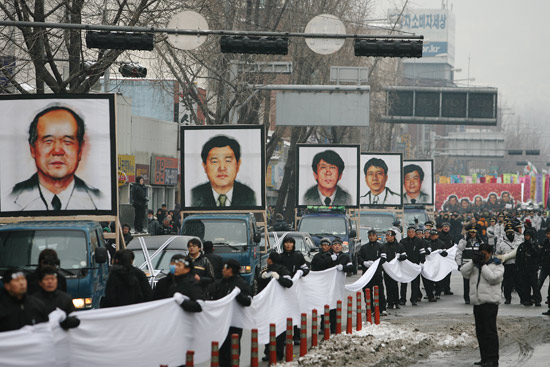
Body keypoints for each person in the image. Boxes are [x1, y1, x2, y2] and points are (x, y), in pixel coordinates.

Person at [5, 106, 103, 211]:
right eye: (48, 141)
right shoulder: (11, 199)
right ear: (32, 149)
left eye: (67, 142)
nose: (57, 151)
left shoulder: (98, 200)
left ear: (80, 150)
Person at [460, 242, 504, 367]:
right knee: (480, 332)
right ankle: (484, 358)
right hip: (477, 303)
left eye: (484, 254)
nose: (482, 256)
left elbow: (493, 278)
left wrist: (483, 265)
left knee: (490, 332)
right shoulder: (476, 265)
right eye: (481, 253)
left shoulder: (497, 265)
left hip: (490, 303)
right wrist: (473, 262)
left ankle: (493, 359)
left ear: (490, 253)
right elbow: (463, 272)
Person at [209, 259, 253, 367]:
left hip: (234, 324)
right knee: (221, 351)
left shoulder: (241, 284)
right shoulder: (220, 283)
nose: (222, 271)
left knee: (232, 350)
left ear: (230, 270)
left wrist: (238, 295)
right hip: (220, 323)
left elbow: (248, 302)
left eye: (224, 268)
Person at [191, 135, 256, 207]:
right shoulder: (193, 196)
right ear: (205, 166)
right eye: (214, 161)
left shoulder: (250, 196)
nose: (222, 168)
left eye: (228, 161)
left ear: (238, 165)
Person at [259, 252, 293, 361]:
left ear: (271, 260)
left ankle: (275, 353)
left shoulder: (282, 270)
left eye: (268, 258)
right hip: (269, 304)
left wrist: (278, 277)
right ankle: (270, 352)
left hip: (278, 304)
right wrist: (262, 277)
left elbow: (289, 283)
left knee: (277, 328)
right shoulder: (265, 270)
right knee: (270, 328)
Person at [0, 268, 49, 332]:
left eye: (23, 279)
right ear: (7, 286)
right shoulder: (2, 307)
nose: (21, 283)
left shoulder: (38, 305)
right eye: (17, 280)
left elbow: (45, 331)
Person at [495, 225, 522, 304]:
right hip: (507, 265)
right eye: (508, 233)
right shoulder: (502, 244)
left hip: (517, 265)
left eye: (512, 232)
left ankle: (523, 298)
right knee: (507, 283)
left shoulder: (519, 243)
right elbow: (497, 254)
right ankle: (508, 298)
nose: (510, 234)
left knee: (519, 283)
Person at [399, 226, 426, 306]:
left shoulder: (419, 241)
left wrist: (422, 262)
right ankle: (403, 299)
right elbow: (400, 251)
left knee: (415, 284)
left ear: (414, 233)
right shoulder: (403, 241)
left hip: (415, 264)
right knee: (404, 283)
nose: (410, 234)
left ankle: (414, 299)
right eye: (409, 232)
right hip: (405, 265)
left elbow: (422, 252)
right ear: (407, 233)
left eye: (412, 232)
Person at [515, 229, 542, 307]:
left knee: (535, 285)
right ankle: (527, 300)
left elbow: (538, 255)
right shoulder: (522, 245)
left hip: (532, 268)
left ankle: (537, 300)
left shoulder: (534, 245)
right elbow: (518, 257)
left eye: (528, 236)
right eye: (525, 236)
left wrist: (532, 247)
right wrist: (518, 267)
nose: (526, 237)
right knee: (526, 285)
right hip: (524, 269)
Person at [456, 226, 482, 304]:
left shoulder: (480, 241)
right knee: (466, 282)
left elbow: (483, 252)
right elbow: (459, 252)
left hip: (476, 265)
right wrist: (459, 264)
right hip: (466, 264)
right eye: (471, 232)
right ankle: (467, 298)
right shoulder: (463, 241)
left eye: (474, 232)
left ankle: (476, 297)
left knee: (477, 281)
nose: (472, 234)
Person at [381, 230, 407, 309]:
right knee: (388, 286)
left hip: (396, 269)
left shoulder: (399, 246)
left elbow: (405, 256)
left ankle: (396, 302)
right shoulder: (384, 246)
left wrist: (399, 257)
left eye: (389, 236)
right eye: (386, 236)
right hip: (387, 269)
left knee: (395, 286)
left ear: (393, 236)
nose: (387, 237)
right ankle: (390, 302)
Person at [539, 228, 550, 310]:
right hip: (544, 266)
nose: (548, 235)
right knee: (539, 282)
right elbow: (541, 253)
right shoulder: (545, 242)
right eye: (547, 234)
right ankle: (536, 297)